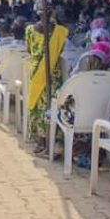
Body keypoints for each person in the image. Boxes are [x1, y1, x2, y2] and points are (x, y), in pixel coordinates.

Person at [25, 8, 70, 154]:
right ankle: (51, 140)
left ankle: (41, 141)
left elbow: (29, 50)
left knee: (39, 105)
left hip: (38, 70)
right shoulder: (59, 31)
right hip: (53, 72)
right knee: (51, 104)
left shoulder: (30, 30)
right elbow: (60, 51)